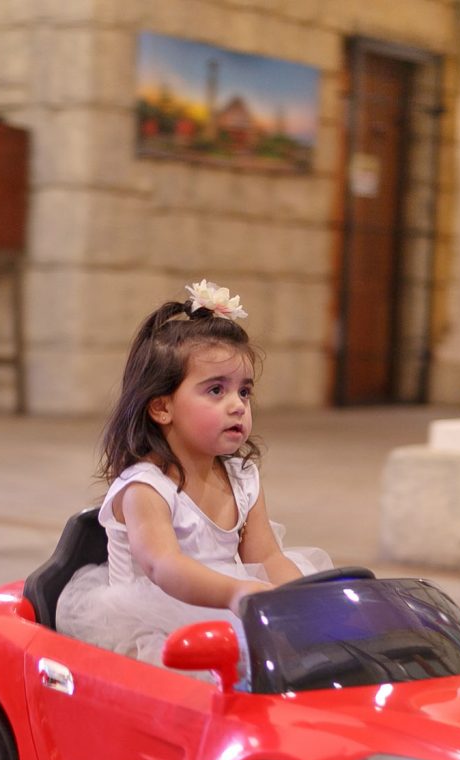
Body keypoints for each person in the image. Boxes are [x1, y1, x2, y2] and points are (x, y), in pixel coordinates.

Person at [55, 279, 330, 667]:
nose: (237, 405)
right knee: (202, 670)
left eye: (245, 391)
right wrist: (234, 593)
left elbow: (266, 555)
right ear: (162, 408)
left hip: (227, 607)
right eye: (216, 390)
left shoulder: (243, 478)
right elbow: (164, 566)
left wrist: (300, 597)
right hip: (152, 623)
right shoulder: (146, 488)